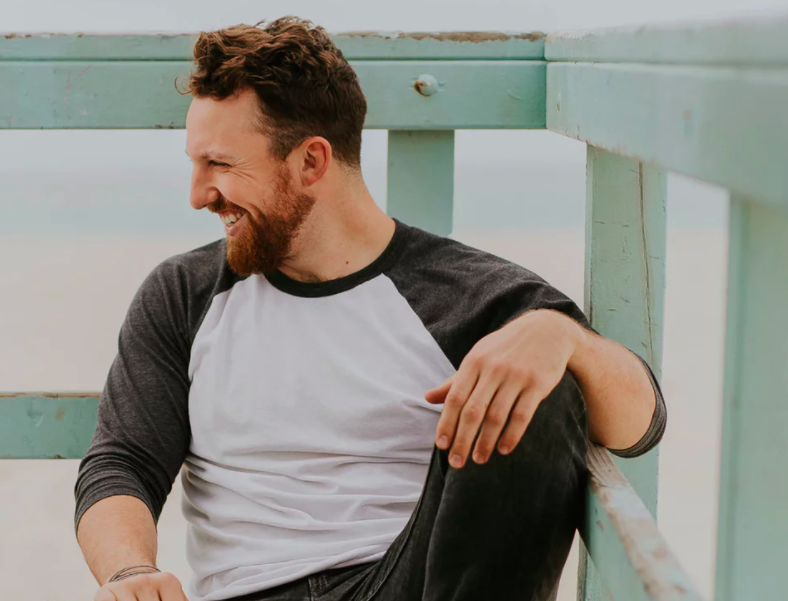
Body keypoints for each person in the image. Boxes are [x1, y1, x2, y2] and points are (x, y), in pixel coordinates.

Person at [74, 16, 666, 601]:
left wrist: (563, 338)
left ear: (311, 162)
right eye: (196, 165)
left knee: (545, 388)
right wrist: (129, 573)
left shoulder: (466, 292)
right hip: (249, 593)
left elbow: (641, 425)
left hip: (411, 582)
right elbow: (122, 463)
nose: (199, 195)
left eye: (221, 166)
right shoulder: (184, 293)